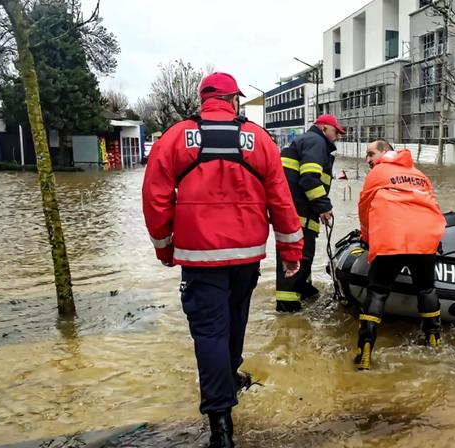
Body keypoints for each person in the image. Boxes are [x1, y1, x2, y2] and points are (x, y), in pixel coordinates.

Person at [142, 72, 303, 448]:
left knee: (209, 332)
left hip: (199, 256)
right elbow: (280, 198)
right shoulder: (259, 139)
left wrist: (164, 247)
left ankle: (220, 427)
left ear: (203, 100)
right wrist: (291, 251)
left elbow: (155, 197)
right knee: (236, 320)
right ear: (233, 101)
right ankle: (229, 381)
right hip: (247, 253)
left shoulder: (175, 137)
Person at [355, 140, 446, 370]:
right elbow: (433, 205)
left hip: (391, 237)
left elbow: (365, 210)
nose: (368, 160)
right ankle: (434, 340)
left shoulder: (378, 173)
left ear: (385, 152)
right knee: (426, 288)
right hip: (425, 238)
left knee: (377, 291)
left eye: (371, 154)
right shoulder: (418, 174)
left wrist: (367, 239)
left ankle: (364, 351)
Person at [275, 114, 344, 312]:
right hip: (299, 215)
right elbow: (309, 179)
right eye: (335, 132)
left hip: (295, 213)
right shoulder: (316, 142)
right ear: (323, 128)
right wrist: (324, 207)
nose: (337, 137)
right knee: (299, 259)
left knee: (300, 257)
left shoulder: (305, 141)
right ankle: (288, 309)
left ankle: (304, 293)